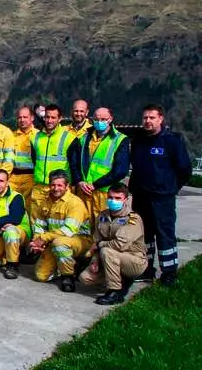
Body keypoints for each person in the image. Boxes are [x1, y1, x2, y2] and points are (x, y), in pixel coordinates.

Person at [128, 104, 192, 286]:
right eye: (145, 118)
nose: (148, 121)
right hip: (141, 197)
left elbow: (184, 169)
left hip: (162, 198)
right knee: (144, 236)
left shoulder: (172, 141)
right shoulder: (139, 141)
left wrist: (171, 188)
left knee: (165, 235)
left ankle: (169, 272)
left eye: (152, 118)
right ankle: (146, 269)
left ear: (161, 119)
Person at [79, 184, 148, 304]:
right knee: (85, 278)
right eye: (110, 197)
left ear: (125, 200)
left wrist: (101, 245)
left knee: (107, 251)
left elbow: (119, 245)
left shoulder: (132, 219)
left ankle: (114, 292)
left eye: (117, 198)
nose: (113, 201)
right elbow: (96, 241)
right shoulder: (102, 216)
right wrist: (95, 261)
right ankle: (118, 279)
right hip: (110, 258)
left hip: (134, 260)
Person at [29, 170, 92, 292]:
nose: (55, 188)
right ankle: (64, 264)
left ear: (67, 186)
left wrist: (43, 238)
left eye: (59, 185)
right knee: (41, 276)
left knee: (60, 244)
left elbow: (68, 230)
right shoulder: (45, 202)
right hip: (53, 241)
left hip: (79, 241)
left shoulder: (75, 203)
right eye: (53, 185)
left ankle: (68, 276)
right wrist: (37, 240)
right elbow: (39, 225)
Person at [68, 107, 129, 229]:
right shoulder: (83, 138)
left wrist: (96, 185)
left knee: (103, 228)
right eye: (96, 119)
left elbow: (120, 171)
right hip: (83, 191)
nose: (99, 122)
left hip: (104, 193)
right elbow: (73, 162)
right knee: (82, 228)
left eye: (103, 119)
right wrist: (79, 180)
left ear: (110, 119)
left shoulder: (120, 139)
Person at [29, 104, 72, 218]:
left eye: (53, 117)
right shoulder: (35, 137)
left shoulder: (69, 138)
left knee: (57, 220)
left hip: (59, 188)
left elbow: (74, 164)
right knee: (36, 221)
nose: (49, 120)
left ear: (60, 119)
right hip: (39, 187)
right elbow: (35, 160)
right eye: (47, 117)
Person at [10, 106, 38, 200]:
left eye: (25, 117)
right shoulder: (11, 136)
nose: (22, 120)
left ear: (32, 118)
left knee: (29, 207)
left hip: (31, 177)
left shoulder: (39, 136)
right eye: (19, 117)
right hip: (13, 178)